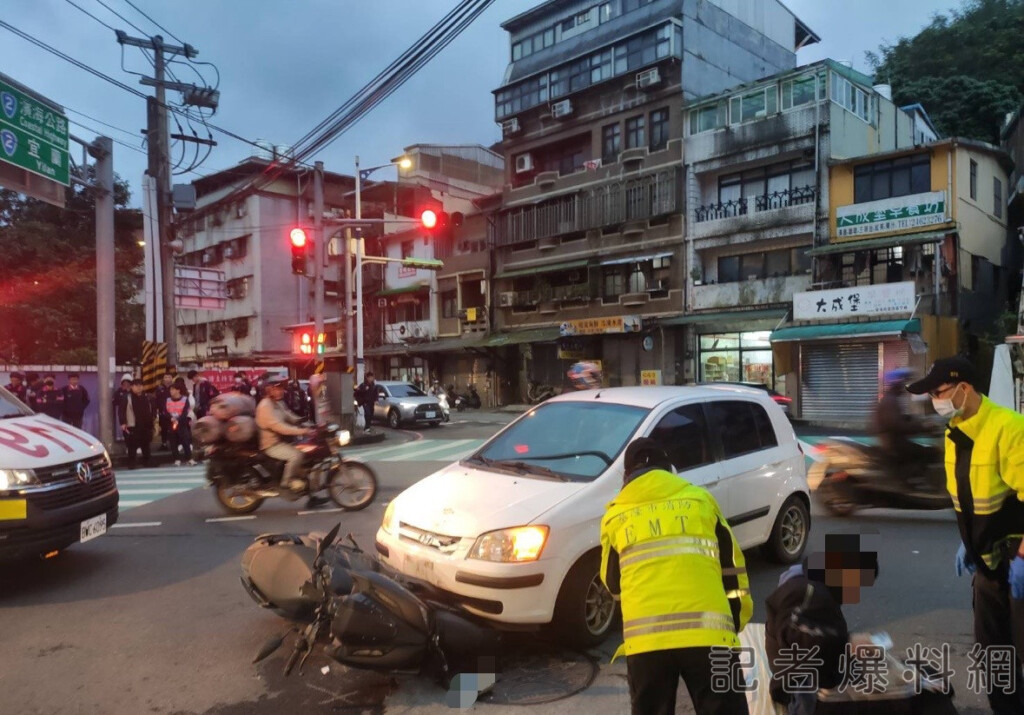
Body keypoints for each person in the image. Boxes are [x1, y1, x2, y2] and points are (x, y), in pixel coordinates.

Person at [600, 438, 752, 715]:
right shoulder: (700, 501)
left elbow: (611, 584)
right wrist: (736, 620)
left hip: (646, 643)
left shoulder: (615, 516)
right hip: (711, 636)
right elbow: (732, 568)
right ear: (669, 469)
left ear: (626, 475)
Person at [907, 356, 1024, 713]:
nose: (934, 402)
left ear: (964, 389)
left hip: (1017, 565)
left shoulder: (1009, 428)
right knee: (994, 660)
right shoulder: (955, 433)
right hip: (987, 567)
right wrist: (968, 541)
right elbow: (972, 498)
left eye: (939, 392)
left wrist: (1022, 556)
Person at [255, 376, 327, 508]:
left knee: (309, 458)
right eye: (278, 388)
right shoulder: (265, 406)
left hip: (284, 441)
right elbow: (279, 427)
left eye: (281, 388)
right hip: (271, 445)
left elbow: (290, 416)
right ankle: (285, 484)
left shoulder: (278, 403)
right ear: (269, 390)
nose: (281, 391)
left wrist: (308, 424)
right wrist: (302, 431)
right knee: (296, 455)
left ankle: (312, 496)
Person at [872, 368, 937, 480]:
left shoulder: (891, 400)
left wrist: (915, 420)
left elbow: (898, 419)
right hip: (895, 444)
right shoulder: (890, 401)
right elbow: (897, 425)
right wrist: (922, 427)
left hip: (893, 442)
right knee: (931, 453)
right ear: (897, 383)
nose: (905, 387)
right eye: (904, 383)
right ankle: (912, 480)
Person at [118, 379, 154, 468]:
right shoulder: (127, 397)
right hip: (132, 424)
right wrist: (123, 423)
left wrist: (152, 420)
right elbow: (121, 411)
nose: (139, 387)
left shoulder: (147, 397)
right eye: (136, 385)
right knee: (132, 445)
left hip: (146, 424)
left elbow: (152, 409)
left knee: (146, 444)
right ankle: (132, 463)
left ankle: (147, 461)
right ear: (132, 387)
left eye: (141, 385)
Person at [163, 383, 195, 466]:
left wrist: (178, 419)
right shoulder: (167, 400)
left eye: (173, 389)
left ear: (178, 390)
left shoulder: (185, 399)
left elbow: (185, 411)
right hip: (171, 423)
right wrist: (171, 418)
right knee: (173, 442)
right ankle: (176, 459)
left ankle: (189, 458)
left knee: (185, 441)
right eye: (170, 390)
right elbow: (165, 411)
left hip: (182, 423)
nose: (171, 391)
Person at [154, 372, 175, 450]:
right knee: (164, 429)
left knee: (173, 429)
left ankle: (174, 444)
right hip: (162, 412)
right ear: (163, 379)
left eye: (169, 377)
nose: (167, 379)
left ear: (172, 378)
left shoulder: (174, 388)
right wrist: (156, 410)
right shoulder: (159, 388)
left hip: (173, 412)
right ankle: (164, 443)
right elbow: (156, 400)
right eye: (166, 377)